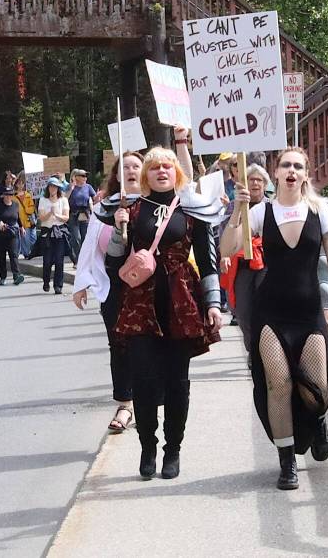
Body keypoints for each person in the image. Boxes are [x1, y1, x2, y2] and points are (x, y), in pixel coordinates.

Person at [221, 147, 328, 491]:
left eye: (298, 166)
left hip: (308, 312)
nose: (292, 171)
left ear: (306, 174)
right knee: (277, 382)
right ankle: (287, 463)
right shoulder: (259, 211)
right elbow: (226, 249)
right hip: (271, 313)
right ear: (276, 173)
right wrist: (238, 211)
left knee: (316, 387)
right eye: (286, 165)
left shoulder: (319, 210)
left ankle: (319, 418)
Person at [105, 144, 224, 481]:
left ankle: (173, 450)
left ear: (176, 172)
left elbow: (207, 258)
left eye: (167, 167)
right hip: (141, 304)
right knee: (142, 381)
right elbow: (114, 262)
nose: (161, 171)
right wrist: (119, 229)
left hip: (180, 302)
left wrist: (213, 303)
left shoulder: (192, 209)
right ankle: (147, 447)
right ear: (146, 174)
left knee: (177, 382)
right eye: (154, 167)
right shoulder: (132, 207)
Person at [73, 151, 145, 434]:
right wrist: (81, 283)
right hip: (113, 285)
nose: (130, 170)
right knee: (119, 344)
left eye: (136, 166)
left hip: (145, 286)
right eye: (124, 167)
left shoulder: (155, 204)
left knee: (146, 345)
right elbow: (90, 245)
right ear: (116, 175)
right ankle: (125, 403)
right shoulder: (104, 207)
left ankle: (147, 400)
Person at [220, 164, 271, 354]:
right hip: (240, 264)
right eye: (251, 179)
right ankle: (253, 349)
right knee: (243, 310)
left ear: (265, 185)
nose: (255, 183)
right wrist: (224, 255)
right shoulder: (235, 206)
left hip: (266, 263)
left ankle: (265, 351)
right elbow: (224, 231)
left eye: (259, 180)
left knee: (265, 307)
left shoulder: (272, 206)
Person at [38, 177, 70, 294]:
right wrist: (49, 213)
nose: (53, 189)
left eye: (55, 187)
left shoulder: (63, 200)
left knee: (59, 260)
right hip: (47, 232)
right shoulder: (43, 200)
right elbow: (41, 217)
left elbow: (66, 217)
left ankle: (58, 285)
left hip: (59, 232)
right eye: (51, 186)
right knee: (47, 261)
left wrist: (56, 215)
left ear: (58, 188)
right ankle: (46, 281)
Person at [0, 187, 25, 286]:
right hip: (1, 233)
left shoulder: (15, 205)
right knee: (2, 256)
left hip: (12, 233)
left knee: (14, 254)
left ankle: (16, 275)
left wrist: (21, 227)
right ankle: (2, 277)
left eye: (10, 195)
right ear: (3, 195)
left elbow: (17, 217)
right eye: (7, 195)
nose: (9, 197)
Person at [68, 169, 96, 257]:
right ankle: (77, 258)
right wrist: (71, 187)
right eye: (83, 176)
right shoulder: (71, 187)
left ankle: (84, 258)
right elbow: (64, 198)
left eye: (86, 176)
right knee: (77, 238)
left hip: (85, 214)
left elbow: (95, 198)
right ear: (76, 177)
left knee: (85, 238)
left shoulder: (88, 187)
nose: (85, 178)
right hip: (74, 214)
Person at [13, 172, 37, 258]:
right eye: (18, 183)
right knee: (24, 238)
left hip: (29, 219)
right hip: (20, 219)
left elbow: (32, 207)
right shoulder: (13, 197)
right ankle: (26, 254)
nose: (20, 185)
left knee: (33, 238)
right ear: (16, 185)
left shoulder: (28, 195)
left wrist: (27, 210)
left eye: (22, 183)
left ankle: (31, 252)